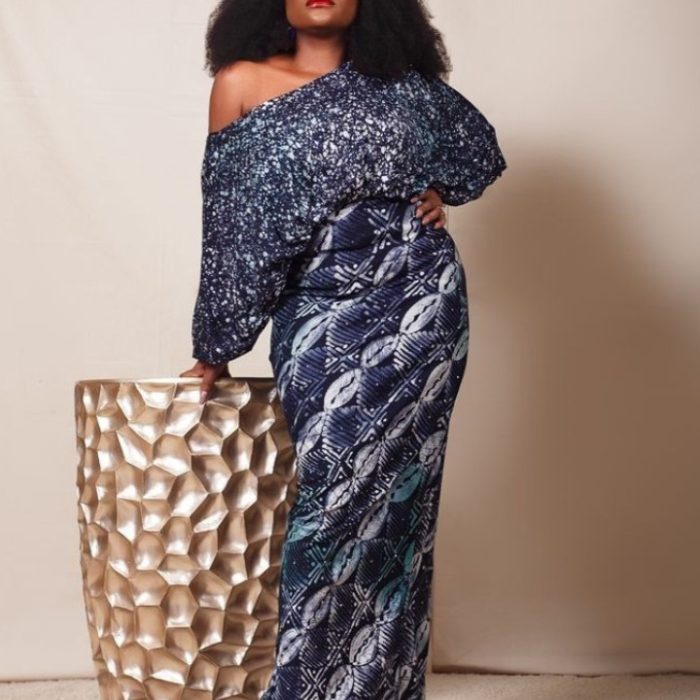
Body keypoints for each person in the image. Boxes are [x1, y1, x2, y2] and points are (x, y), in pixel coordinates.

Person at [180, 0, 507, 697]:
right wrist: (216, 343)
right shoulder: (240, 82)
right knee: (333, 494)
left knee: (401, 509)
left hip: (420, 307)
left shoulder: (402, 86)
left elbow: (476, 150)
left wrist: (434, 192)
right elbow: (230, 227)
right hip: (320, 311)